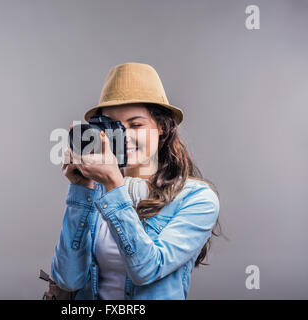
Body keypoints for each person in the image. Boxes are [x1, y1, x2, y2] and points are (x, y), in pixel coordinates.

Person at [51, 62, 221, 300]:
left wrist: (113, 184)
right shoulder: (96, 190)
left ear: (161, 127)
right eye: (113, 126)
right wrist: (81, 190)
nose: (124, 136)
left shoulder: (197, 198)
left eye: (136, 124)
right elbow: (68, 279)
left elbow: (147, 270)